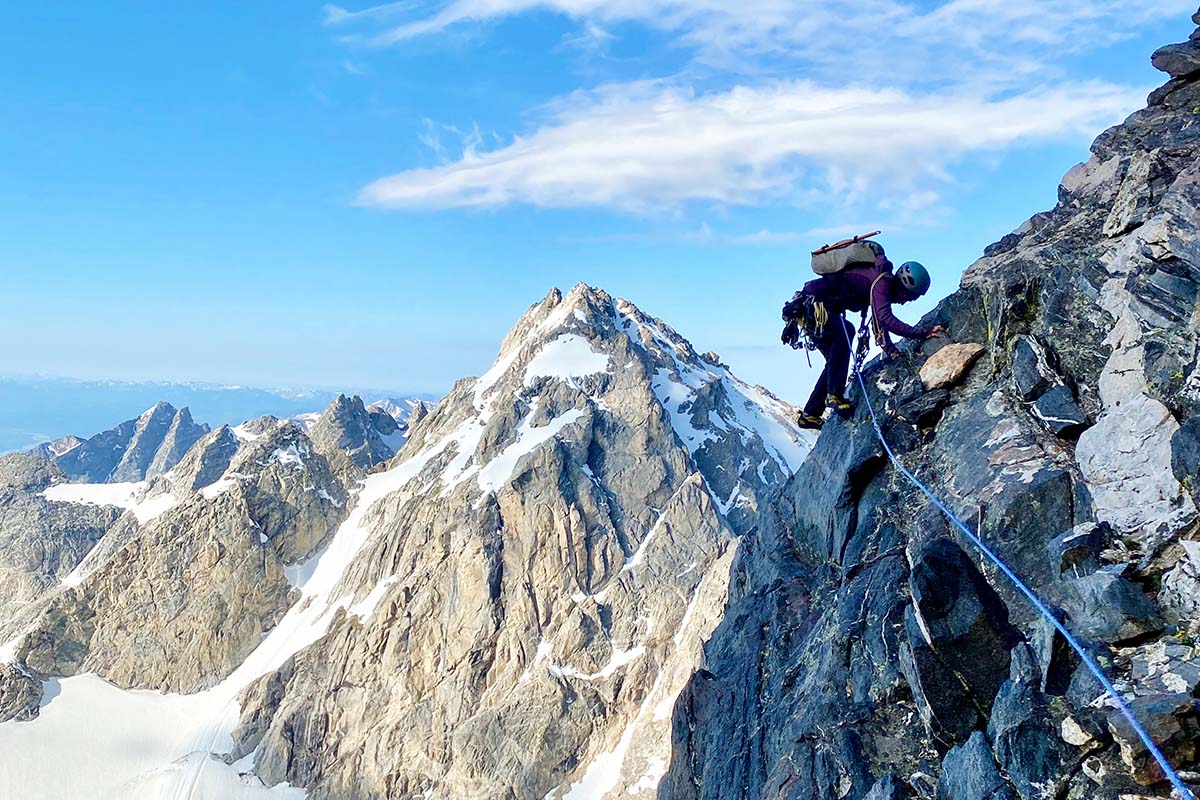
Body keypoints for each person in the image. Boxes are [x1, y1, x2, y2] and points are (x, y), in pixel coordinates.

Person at [783, 248, 945, 430]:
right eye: (910, 297)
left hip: (808, 308)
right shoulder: (882, 282)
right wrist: (923, 332)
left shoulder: (879, 283)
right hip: (813, 306)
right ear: (904, 288)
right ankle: (834, 395)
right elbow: (885, 319)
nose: (906, 302)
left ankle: (810, 415)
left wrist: (890, 349)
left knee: (834, 361)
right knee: (846, 332)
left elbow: (879, 322)